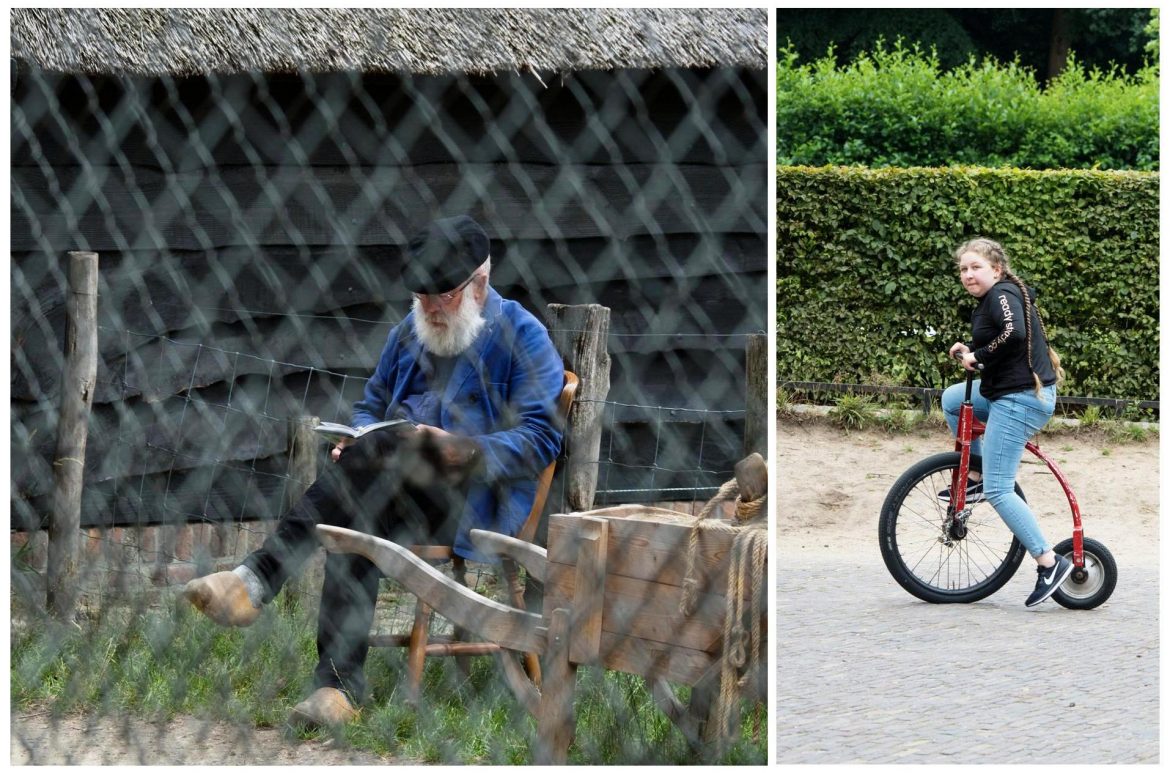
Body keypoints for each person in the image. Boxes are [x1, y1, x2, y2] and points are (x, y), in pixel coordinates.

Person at [183, 215, 565, 727]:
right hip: (390, 489)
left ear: (480, 284)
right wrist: (355, 438)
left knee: (359, 490)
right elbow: (370, 407)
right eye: (420, 296)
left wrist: (464, 449)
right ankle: (333, 692)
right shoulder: (410, 332)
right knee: (359, 496)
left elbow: (541, 439)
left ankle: (258, 586)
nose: (428, 309)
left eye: (443, 296)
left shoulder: (524, 335)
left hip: (471, 503)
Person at [940, 237, 1072, 608]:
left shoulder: (1001, 295)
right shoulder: (997, 299)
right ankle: (976, 477)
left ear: (996, 269)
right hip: (1007, 390)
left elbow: (1013, 335)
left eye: (976, 267)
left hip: (1020, 399)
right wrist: (970, 350)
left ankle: (1049, 562)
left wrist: (978, 355)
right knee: (953, 400)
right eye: (963, 269)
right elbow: (1006, 337)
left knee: (1002, 490)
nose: (968, 274)